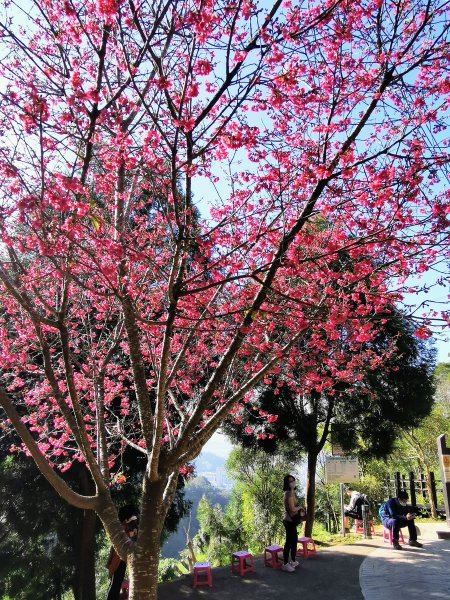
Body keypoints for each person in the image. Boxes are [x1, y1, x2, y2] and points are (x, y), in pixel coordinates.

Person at [106, 505, 139, 600]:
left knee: (116, 583)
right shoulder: (123, 526)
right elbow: (125, 537)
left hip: (122, 557)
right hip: (118, 558)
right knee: (116, 583)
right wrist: (132, 532)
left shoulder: (125, 525)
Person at [282, 474, 305, 573]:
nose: (292, 482)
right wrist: (300, 507)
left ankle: (293, 561)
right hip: (289, 521)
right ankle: (285, 563)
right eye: (290, 481)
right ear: (287, 483)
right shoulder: (288, 493)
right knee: (289, 542)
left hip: (292, 521)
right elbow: (292, 508)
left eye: (293, 480)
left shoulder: (291, 492)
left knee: (294, 541)